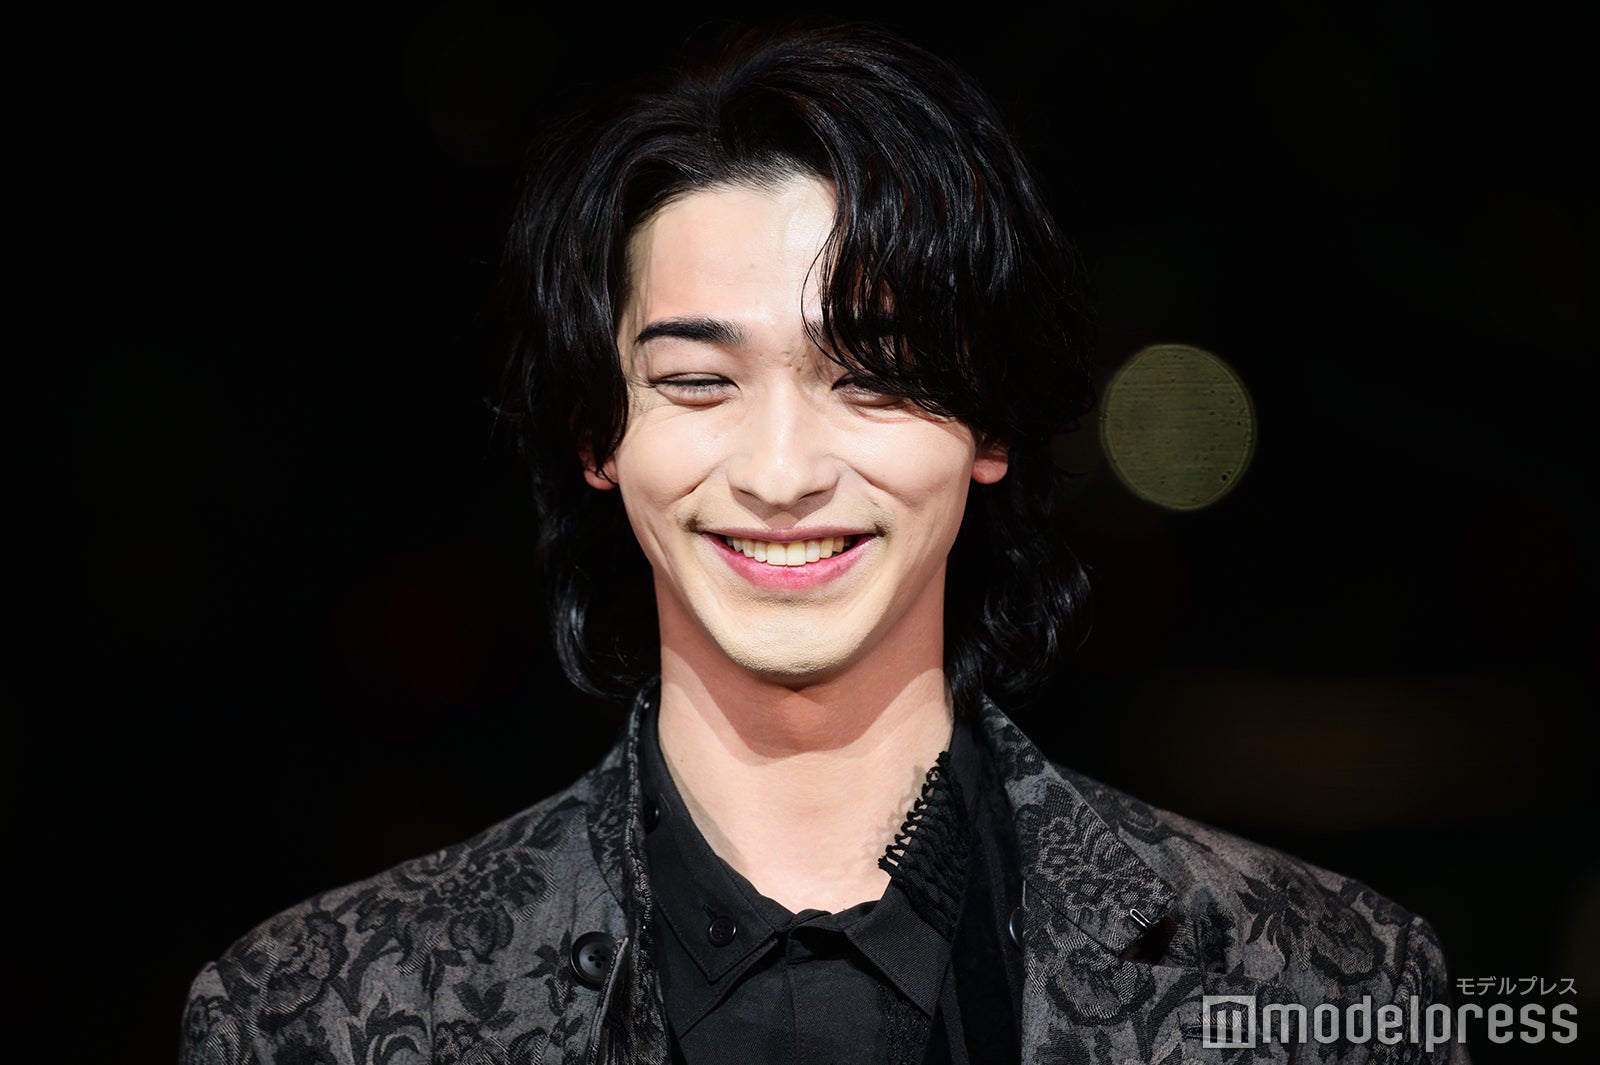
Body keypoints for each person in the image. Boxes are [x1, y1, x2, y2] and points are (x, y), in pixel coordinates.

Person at [181, 24, 1464, 1065]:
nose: (783, 474)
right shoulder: (320, 1013)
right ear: (596, 436)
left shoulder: (1319, 988)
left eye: (873, 378)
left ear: (990, 426)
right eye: (697, 382)